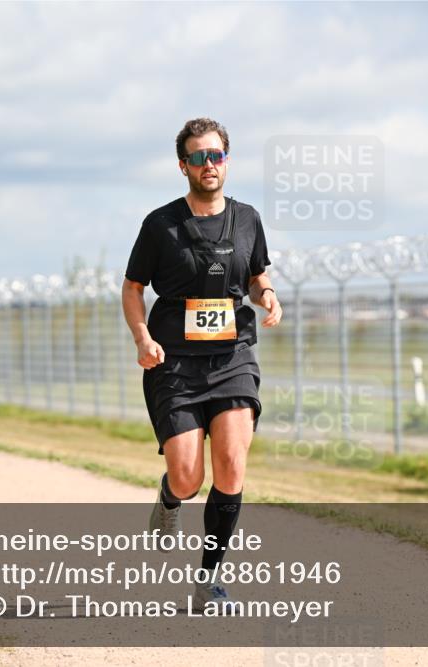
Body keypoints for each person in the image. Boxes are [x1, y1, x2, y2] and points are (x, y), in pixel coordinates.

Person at [121, 118, 282, 611]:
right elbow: (132, 289)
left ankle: (209, 579)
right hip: (174, 365)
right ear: (183, 166)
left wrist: (268, 295)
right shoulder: (160, 225)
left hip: (232, 357)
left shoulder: (248, 219)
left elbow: (256, 274)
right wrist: (143, 337)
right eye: (198, 157)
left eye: (215, 155)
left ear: (226, 161)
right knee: (189, 477)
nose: (208, 165)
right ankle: (171, 498)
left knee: (231, 465)